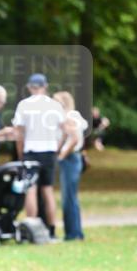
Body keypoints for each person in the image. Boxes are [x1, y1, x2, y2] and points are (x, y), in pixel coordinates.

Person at [12, 73, 65, 241]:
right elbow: (64, 130)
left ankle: (32, 230)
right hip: (49, 150)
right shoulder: (55, 105)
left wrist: (21, 154)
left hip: (31, 151)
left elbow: (19, 133)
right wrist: (57, 146)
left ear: (29, 88)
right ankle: (51, 230)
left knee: (31, 190)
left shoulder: (24, 105)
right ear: (45, 86)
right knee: (48, 190)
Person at [53, 91, 88, 241]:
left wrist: (61, 155)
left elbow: (74, 138)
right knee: (69, 197)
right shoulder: (70, 116)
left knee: (69, 198)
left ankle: (73, 233)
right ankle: (73, 232)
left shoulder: (69, 116)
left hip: (71, 159)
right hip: (71, 158)